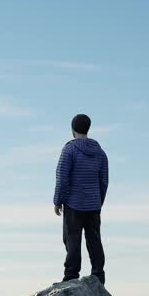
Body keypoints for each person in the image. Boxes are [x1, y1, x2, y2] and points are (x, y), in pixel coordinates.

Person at [53, 113, 108, 284]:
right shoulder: (100, 153)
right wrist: (98, 201)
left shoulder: (69, 150)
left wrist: (58, 201)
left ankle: (71, 276)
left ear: (73, 129)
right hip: (93, 205)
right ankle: (98, 274)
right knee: (94, 241)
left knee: (72, 240)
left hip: (73, 204)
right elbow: (104, 181)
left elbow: (62, 178)